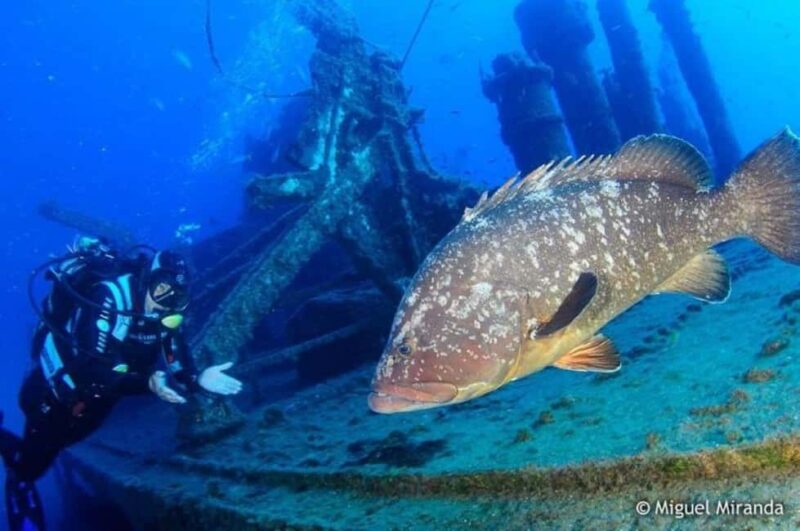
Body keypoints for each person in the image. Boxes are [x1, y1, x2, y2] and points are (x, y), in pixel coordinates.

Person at [0, 238, 243, 530]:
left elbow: (175, 355)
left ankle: (24, 464)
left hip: (100, 399)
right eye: (161, 288)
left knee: (59, 446)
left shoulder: (166, 313)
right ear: (147, 279)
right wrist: (148, 384)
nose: (164, 301)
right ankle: (15, 462)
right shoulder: (110, 296)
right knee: (31, 466)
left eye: (175, 296)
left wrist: (197, 379)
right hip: (55, 392)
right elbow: (92, 369)